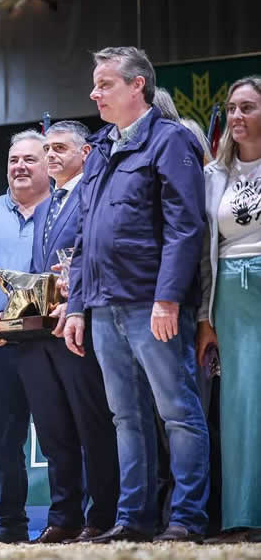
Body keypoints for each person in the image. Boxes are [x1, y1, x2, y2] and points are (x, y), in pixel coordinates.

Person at [63, 46, 209, 543]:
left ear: (137, 85)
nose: (94, 93)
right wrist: (77, 306)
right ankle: (133, 519)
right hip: (103, 306)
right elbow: (84, 236)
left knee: (177, 412)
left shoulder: (170, 140)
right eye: (95, 84)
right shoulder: (101, 148)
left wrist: (168, 298)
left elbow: (185, 227)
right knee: (126, 417)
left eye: (104, 84)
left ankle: (187, 518)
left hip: (152, 304)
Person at [9, 121, 119, 543]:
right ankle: (64, 517)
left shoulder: (94, 194)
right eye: (48, 149)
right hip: (41, 334)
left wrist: (74, 301)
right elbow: (44, 272)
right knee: (54, 432)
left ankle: (102, 515)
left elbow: (96, 259)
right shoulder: (45, 205)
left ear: (85, 153)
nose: (51, 155)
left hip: (80, 326)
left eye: (60, 148)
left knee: (93, 427)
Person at [0, 130, 52, 543]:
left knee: (61, 438)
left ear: (48, 164)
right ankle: (10, 527)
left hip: (52, 343)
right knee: (2, 443)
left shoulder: (65, 209)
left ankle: (69, 520)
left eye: (29, 159)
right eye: (13, 159)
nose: (19, 166)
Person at [197, 75, 261, 543]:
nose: (237, 117)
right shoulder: (214, 175)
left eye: (248, 108)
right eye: (233, 108)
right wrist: (204, 317)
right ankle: (242, 516)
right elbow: (203, 252)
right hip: (231, 297)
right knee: (240, 406)